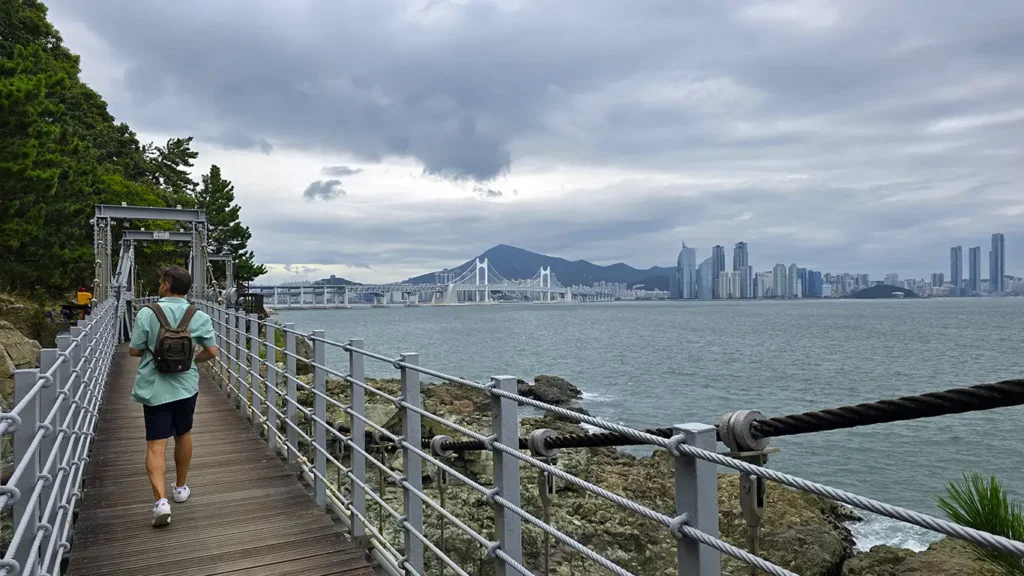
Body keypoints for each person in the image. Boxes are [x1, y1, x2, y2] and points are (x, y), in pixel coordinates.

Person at [128, 266, 218, 526]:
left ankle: (161, 503)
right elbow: (212, 352)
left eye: (160, 281)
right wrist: (190, 361)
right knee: (183, 434)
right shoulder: (198, 315)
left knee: (156, 444)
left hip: (155, 386)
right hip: (185, 386)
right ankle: (180, 488)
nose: (159, 284)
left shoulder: (148, 312)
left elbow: (134, 351)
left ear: (166, 285)